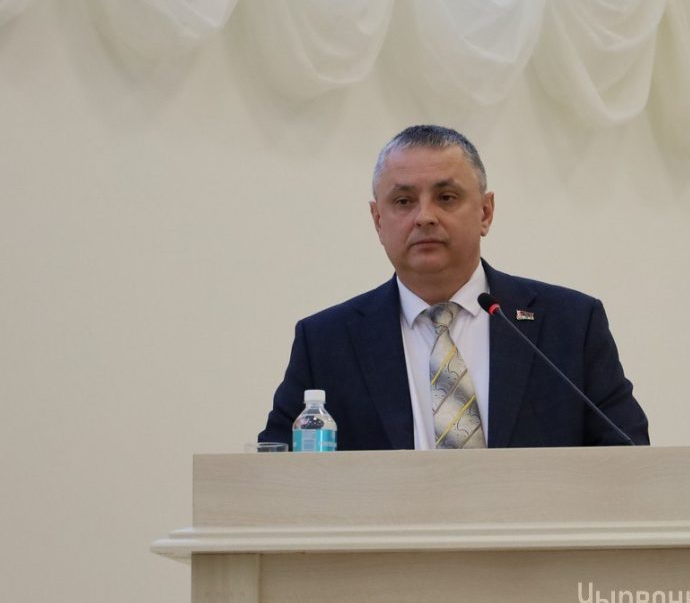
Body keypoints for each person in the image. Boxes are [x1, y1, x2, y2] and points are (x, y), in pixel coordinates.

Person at [259, 125, 648, 450]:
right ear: (378, 220)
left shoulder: (569, 325)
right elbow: (275, 470)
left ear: (485, 212)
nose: (425, 217)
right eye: (403, 201)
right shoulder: (326, 342)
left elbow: (628, 458)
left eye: (446, 198)